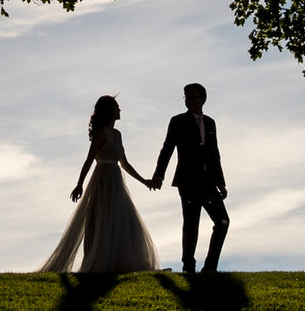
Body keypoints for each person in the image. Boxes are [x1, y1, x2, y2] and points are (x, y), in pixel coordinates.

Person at [36, 94, 161, 273]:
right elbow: (88, 160)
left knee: (122, 219)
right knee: (102, 219)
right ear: (109, 111)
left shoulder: (117, 134)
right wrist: (79, 184)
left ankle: (120, 263)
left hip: (117, 181)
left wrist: (144, 181)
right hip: (103, 179)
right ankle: (99, 263)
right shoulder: (101, 134)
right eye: (117, 107)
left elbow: (124, 163)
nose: (120, 110)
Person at [148, 81, 229, 273]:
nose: (189, 101)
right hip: (188, 181)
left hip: (208, 181)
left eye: (193, 97)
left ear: (203, 99)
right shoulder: (178, 121)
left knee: (223, 221)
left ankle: (210, 267)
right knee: (191, 223)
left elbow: (214, 154)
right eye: (186, 97)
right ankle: (188, 267)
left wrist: (221, 183)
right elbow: (167, 149)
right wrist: (159, 175)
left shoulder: (210, 123)